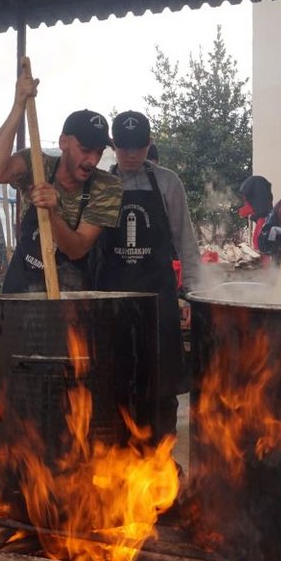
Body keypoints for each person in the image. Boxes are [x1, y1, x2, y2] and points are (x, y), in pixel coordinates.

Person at [93, 110, 201, 437]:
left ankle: (162, 458)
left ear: (149, 144)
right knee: (116, 382)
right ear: (113, 144)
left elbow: (185, 239)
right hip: (113, 301)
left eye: (137, 147)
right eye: (123, 146)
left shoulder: (167, 182)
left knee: (163, 387)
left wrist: (193, 296)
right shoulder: (101, 184)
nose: (130, 154)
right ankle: (121, 457)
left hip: (159, 301)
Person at [0, 69, 122, 293]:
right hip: (22, 294)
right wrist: (18, 105)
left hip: (70, 302)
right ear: (63, 142)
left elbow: (77, 250)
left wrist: (52, 213)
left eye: (98, 152)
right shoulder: (36, 164)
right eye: (85, 150)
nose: (92, 160)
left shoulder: (107, 187)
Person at [237, 175, 273, 252]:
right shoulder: (267, 216)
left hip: (265, 261)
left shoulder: (264, 223)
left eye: (246, 198)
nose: (245, 200)